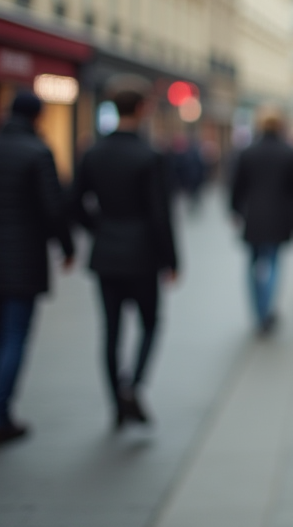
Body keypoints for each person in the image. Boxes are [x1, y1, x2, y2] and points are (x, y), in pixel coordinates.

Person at [73, 76, 178, 429]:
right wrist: (171, 259)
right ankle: (133, 385)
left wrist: (98, 228)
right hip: (143, 255)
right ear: (143, 108)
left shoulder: (93, 152)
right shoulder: (149, 156)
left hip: (106, 252)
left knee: (112, 330)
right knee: (150, 323)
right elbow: (160, 214)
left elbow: (74, 203)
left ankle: (116, 401)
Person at [0, 91, 75, 448]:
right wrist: (67, 247)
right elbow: (54, 209)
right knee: (15, 333)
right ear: (38, 116)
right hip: (22, 258)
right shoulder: (38, 152)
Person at [230, 111, 293, 334]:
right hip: (280, 215)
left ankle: (258, 311)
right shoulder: (289, 153)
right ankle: (267, 309)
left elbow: (236, 186)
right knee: (272, 263)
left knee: (253, 264)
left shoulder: (247, 152)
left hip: (253, 215)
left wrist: (235, 211)